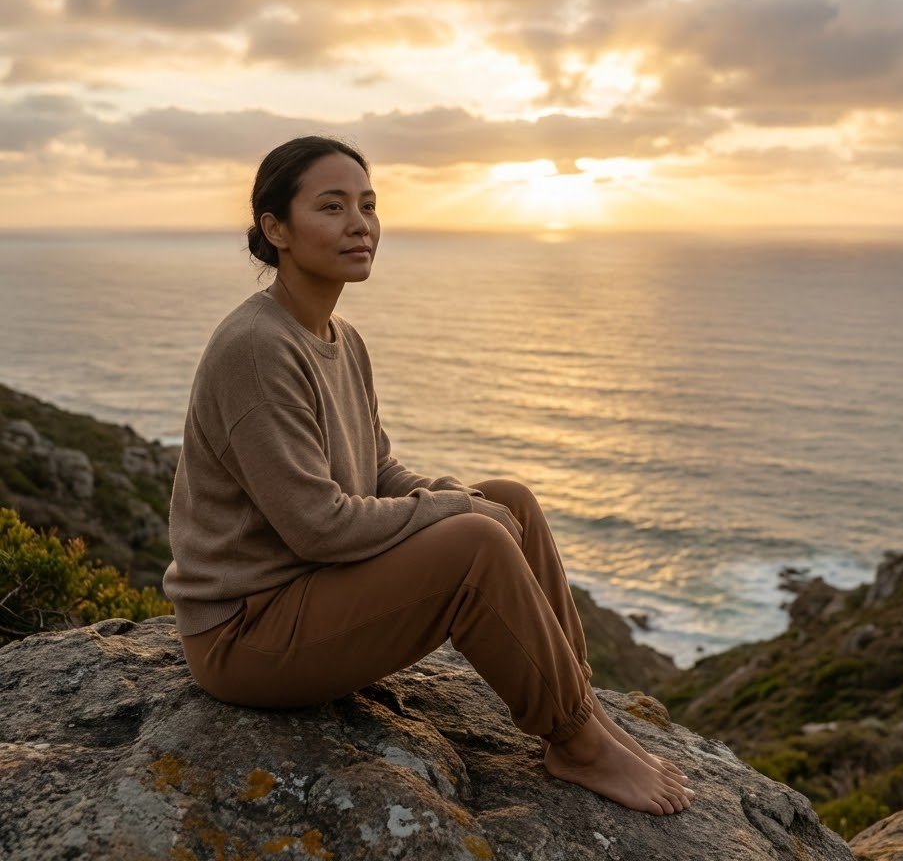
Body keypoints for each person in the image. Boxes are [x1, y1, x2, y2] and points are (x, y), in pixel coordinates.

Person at [162, 134, 694, 816]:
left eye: (368, 205)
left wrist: (456, 497)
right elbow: (319, 526)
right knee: (475, 542)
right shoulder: (256, 349)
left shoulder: (340, 338)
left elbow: (377, 468)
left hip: (309, 594)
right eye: (331, 207)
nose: (360, 225)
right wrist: (454, 516)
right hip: (246, 634)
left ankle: (580, 705)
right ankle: (576, 744)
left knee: (509, 502)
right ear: (276, 229)